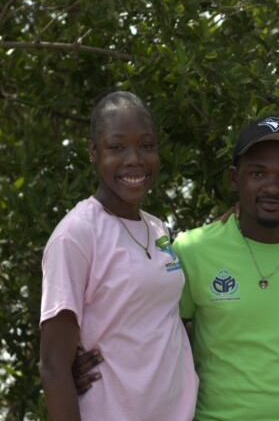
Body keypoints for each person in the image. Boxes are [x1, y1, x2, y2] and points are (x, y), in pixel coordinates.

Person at [172, 117, 279, 420]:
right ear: (234, 177)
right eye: (257, 173)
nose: (272, 187)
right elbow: (157, 333)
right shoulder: (192, 250)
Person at [39, 91, 198, 421]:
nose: (134, 159)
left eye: (146, 145)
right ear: (93, 154)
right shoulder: (77, 234)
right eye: (116, 147)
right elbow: (54, 365)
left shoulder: (156, 229)